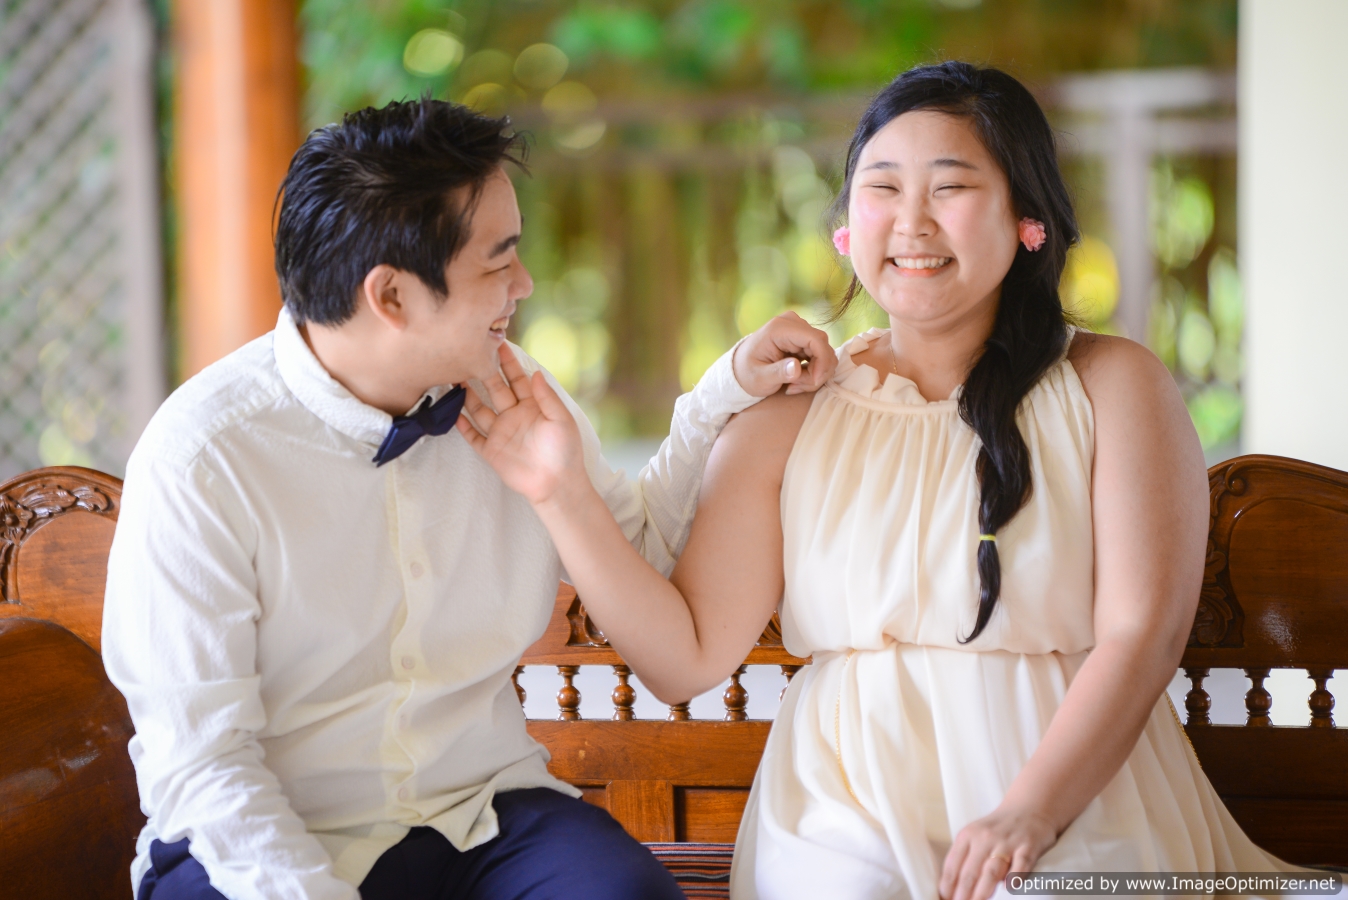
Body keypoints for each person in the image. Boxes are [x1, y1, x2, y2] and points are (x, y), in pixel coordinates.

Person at [460, 62, 1315, 900]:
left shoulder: (1114, 386)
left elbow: (1141, 634)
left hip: (1076, 792)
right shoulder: (787, 415)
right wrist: (557, 490)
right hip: (844, 811)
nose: (912, 222)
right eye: (882, 189)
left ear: (1028, 218)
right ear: (846, 227)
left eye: (950, 187)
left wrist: (1029, 815)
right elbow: (684, 659)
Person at [101, 97, 837, 900]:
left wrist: (724, 393)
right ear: (391, 297)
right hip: (258, 845)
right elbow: (204, 766)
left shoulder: (511, 392)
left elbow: (646, 551)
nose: (524, 284)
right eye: (497, 263)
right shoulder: (202, 459)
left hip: (481, 813)